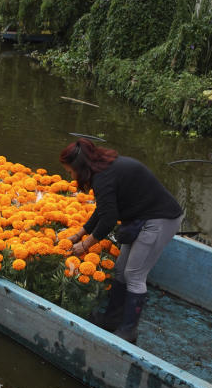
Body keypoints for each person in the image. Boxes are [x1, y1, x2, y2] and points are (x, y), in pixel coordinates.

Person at [59, 138, 184, 343]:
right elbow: (104, 209)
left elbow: (108, 220)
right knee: (121, 269)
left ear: (80, 168)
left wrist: (84, 245)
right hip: (141, 217)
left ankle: (128, 331)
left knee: (134, 274)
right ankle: (111, 318)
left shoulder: (103, 179)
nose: (70, 176)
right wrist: (79, 233)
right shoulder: (104, 171)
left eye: (70, 171)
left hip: (160, 219)